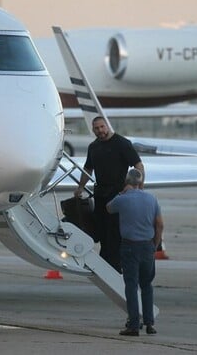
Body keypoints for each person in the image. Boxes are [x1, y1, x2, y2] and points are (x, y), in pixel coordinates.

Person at [74, 116, 144, 272]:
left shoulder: (122, 143)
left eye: (102, 127)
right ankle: (105, 262)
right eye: (96, 128)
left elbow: (138, 165)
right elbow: (88, 169)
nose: (100, 131)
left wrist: (138, 187)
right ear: (93, 130)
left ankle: (115, 265)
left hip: (119, 194)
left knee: (115, 232)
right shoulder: (93, 147)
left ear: (107, 126)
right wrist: (80, 187)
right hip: (100, 194)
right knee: (102, 230)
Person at [106, 169, 163, 336]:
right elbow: (159, 224)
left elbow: (108, 208)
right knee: (147, 285)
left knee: (131, 285)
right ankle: (149, 323)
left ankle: (133, 323)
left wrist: (120, 193)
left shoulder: (122, 199)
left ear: (126, 182)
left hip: (130, 246)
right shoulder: (151, 199)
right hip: (147, 246)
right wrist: (155, 244)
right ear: (141, 182)